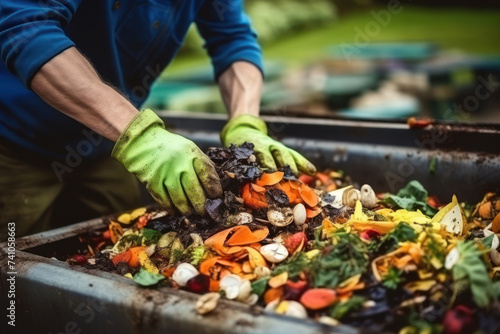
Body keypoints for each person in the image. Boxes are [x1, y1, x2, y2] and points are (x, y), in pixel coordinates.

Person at [0, 0, 316, 240]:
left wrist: (245, 121)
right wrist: (135, 135)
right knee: (14, 270)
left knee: (114, 245)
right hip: (14, 139)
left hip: (106, 144)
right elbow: (27, 28)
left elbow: (233, 39)